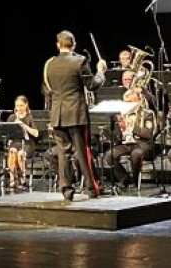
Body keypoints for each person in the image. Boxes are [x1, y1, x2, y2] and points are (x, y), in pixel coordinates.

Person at [42, 30, 107, 201]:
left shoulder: (49, 64)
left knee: (63, 153)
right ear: (74, 45)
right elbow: (92, 85)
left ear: (58, 45)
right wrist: (101, 72)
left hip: (57, 114)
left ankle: (66, 190)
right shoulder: (80, 61)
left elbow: (47, 90)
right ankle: (92, 188)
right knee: (83, 151)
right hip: (76, 113)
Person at [6, 95, 39, 191]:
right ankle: (12, 179)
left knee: (20, 154)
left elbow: (36, 133)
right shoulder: (12, 117)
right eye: (17, 106)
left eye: (21, 105)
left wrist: (24, 126)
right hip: (15, 142)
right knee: (12, 151)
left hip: (27, 143)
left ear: (26, 105)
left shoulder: (30, 117)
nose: (19, 108)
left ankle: (22, 179)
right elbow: (6, 133)